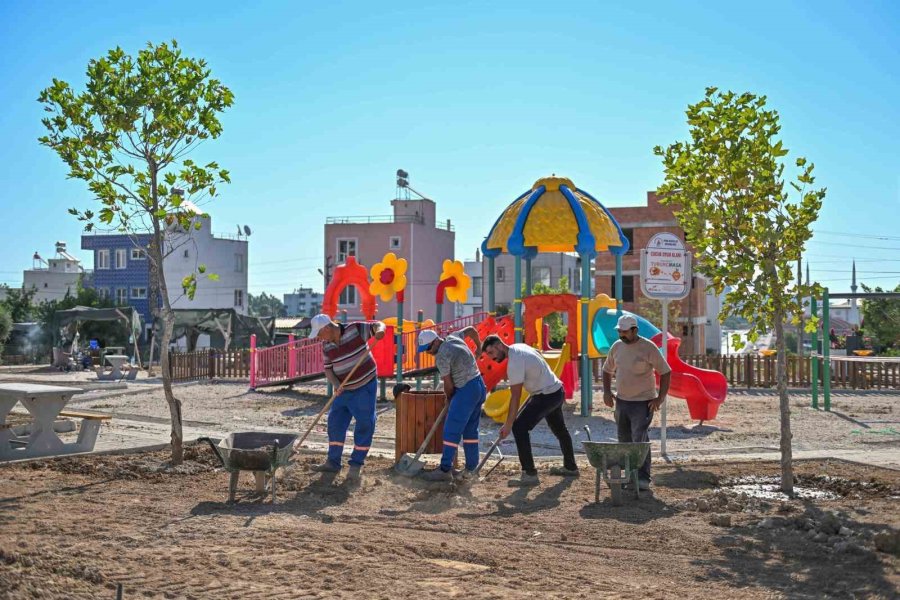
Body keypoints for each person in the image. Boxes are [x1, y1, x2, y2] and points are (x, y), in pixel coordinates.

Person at [481, 335, 579, 487]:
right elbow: (538, 356)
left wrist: (508, 424)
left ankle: (529, 473)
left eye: (491, 352)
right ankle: (571, 467)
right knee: (560, 429)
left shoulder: (514, 362)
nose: (492, 358)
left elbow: (515, 397)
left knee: (519, 427)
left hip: (546, 395)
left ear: (499, 345)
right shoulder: (520, 347)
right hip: (556, 390)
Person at [307, 313, 385, 482]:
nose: (319, 338)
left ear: (327, 328)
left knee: (365, 423)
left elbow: (378, 325)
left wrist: (380, 331)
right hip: (343, 389)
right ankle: (333, 462)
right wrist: (336, 384)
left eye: (319, 333)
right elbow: (328, 369)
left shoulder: (354, 329)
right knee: (335, 423)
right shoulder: (326, 345)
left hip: (365, 385)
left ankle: (356, 464)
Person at [601, 314, 671, 490]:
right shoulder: (617, 347)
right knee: (623, 439)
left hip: (643, 402)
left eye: (625, 332)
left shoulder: (648, 347)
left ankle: (642, 478)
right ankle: (628, 475)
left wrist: (659, 398)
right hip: (622, 401)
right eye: (620, 332)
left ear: (635, 330)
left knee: (638, 439)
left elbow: (665, 372)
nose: (622, 335)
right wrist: (607, 392)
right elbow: (607, 370)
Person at [417, 326, 486, 482]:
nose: (428, 352)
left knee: (451, 430)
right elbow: (472, 330)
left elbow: (448, 385)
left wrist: (449, 398)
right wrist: (479, 348)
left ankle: (445, 469)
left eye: (428, 348)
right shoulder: (454, 337)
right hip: (479, 386)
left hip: (466, 390)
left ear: (435, 342)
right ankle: (471, 469)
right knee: (470, 430)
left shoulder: (441, 356)